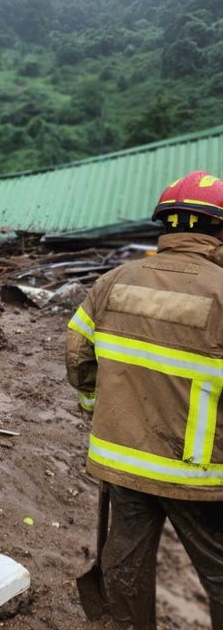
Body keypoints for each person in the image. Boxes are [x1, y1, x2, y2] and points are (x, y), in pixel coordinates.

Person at [65, 170, 223, 630]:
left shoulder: (112, 282)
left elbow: (78, 356)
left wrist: (98, 412)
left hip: (123, 461)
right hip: (198, 471)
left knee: (126, 569)